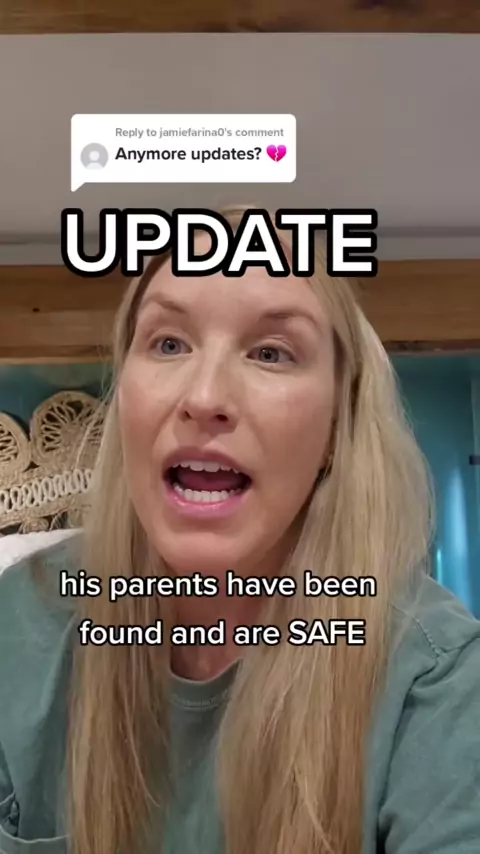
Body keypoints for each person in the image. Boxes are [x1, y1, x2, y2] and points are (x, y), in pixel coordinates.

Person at [0, 207, 479, 854]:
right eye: (169, 343)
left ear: (335, 428)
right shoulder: (18, 626)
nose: (204, 396)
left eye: (270, 353)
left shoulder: (440, 679)